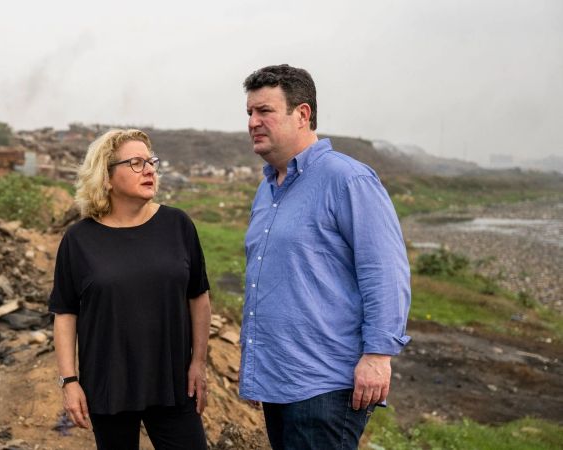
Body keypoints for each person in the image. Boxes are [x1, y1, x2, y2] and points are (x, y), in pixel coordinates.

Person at [239, 64, 411, 450]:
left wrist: (378, 355)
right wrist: (255, 371)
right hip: (278, 382)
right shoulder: (267, 189)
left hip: (325, 385)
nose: (253, 122)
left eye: (264, 110)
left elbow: (384, 271)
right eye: (249, 113)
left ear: (302, 114)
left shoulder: (347, 179)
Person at [49, 129, 211, 450]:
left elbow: (199, 297)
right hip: (109, 386)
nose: (150, 169)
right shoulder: (79, 239)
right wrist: (69, 381)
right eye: (136, 163)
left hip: (173, 383)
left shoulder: (178, 225)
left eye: (151, 162)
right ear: (106, 177)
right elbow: (66, 313)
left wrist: (199, 363)